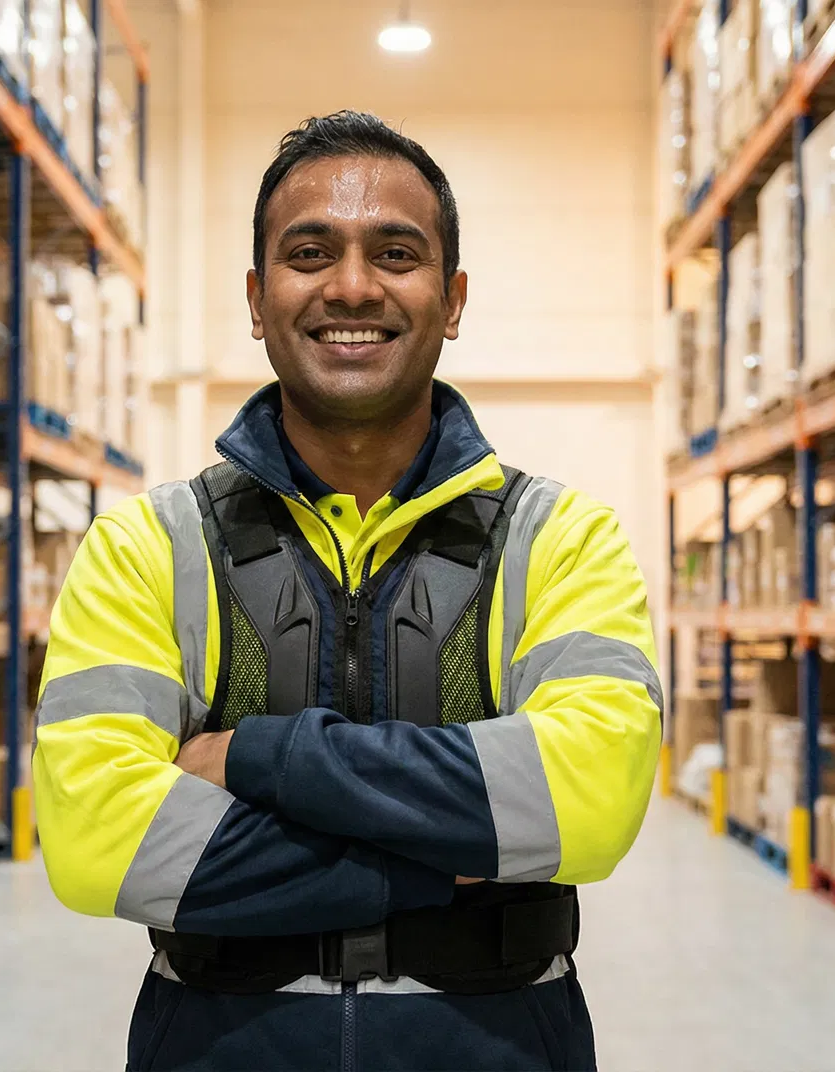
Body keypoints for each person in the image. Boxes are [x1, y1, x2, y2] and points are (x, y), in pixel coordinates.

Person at [32, 110, 661, 1072]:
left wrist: (254, 756)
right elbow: (92, 841)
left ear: (452, 300)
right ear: (257, 297)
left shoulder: (560, 540)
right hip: (219, 1045)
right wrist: (451, 845)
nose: (353, 286)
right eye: (311, 252)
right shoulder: (148, 546)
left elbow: (589, 805)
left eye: (396, 253)